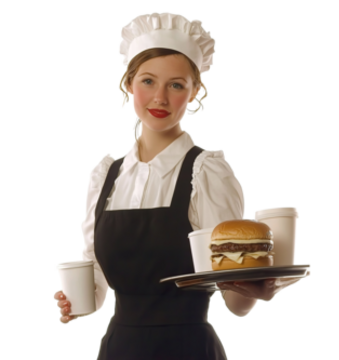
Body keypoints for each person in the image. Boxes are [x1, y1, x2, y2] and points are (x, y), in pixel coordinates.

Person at [50, 11, 305, 359]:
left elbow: (235, 299)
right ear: (128, 84)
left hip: (188, 349)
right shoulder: (104, 176)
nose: (160, 98)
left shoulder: (206, 172)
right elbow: (95, 289)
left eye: (176, 85)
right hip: (119, 349)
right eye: (148, 81)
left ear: (195, 91)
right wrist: (72, 306)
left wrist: (258, 287)